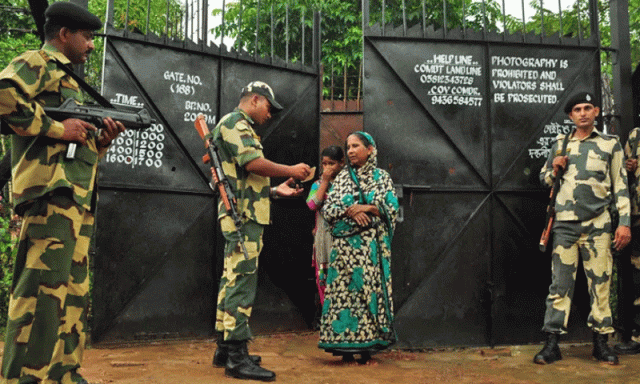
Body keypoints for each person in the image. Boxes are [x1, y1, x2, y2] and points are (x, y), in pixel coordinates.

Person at [0, 2, 126, 384]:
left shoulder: (69, 79)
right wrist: (57, 129)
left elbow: (72, 144)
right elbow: (3, 96)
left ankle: (63, 374)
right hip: (49, 197)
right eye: (87, 37)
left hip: (75, 202)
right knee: (40, 296)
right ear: (64, 34)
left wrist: (99, 141)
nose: (91, 46)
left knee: (71, 297)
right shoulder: (38, 61)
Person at [209, 81, 311, 381]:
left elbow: (245, 180)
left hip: (245, 212)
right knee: (241, 283)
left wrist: (276, 191)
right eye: (269, 107)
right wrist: (291, 170)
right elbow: (252, 163)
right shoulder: (235, 123)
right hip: (242, 218)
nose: (270, 114)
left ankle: (225, 349)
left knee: (232, 278)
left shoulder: (239, 126)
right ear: (255, 99)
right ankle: (237, 358)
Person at [534, 92, 631, 365]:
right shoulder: (560, 144)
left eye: (588, 108)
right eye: (577, 109)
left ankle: (601, 344)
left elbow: (621, 186)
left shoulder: (610, 145)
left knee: (600, 284)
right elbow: (543, 178)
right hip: (564, 225)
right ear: (570, 116)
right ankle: (552, 343)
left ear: (597, 111)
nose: (583, 113)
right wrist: (554, 169)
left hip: (598, 225)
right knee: (559, 285)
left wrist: (623, 224)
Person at [318, 131, 399, 364]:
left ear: (370, 149)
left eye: (356, 146)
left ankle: (365, 349)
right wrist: (349, 210)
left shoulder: (381, 177)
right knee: (344, 296)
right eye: (348, 146)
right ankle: (344, 349)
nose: (351, 150)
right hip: (342, 252)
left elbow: (390, 208)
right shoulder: (342, 177)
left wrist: (368, 209)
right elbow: (328, 209)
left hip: (369, 252)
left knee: (366, 295)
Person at [306, 145, 345, 307]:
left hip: (342, 241)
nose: (327, 168)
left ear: (342, 163)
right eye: (324, 164)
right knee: (324, 282)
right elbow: (312, 204)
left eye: (332, 164)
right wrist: (325, 182)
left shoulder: (347, 184)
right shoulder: (318, 184)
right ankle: (328, 320)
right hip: (323, 243)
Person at [613, 126, 640, 355]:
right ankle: (637, 337)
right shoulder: (636, 135)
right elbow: (620, 173)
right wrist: (629, 167)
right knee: (638, 279)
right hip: (638, 217)